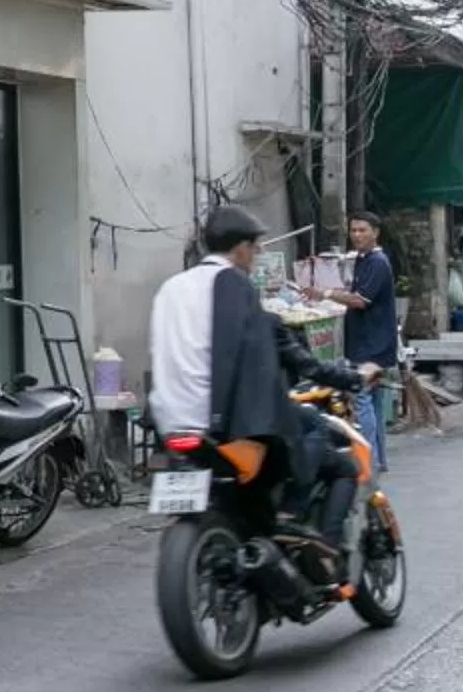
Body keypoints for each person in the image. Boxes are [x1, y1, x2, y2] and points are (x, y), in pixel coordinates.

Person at [150, 207, 372, 550]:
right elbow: (250, 358)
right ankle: (296, 519)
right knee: (313, 428)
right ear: (239, 248)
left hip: (170, 421)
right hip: (219, 419)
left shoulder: (172, 288)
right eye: (255, 247)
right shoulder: (233, 286)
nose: (258, 255)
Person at [336, 214, 399, 474]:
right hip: (371, 342)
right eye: (353, 230)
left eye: (363, 230)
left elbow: (361, 301)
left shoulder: (377, 262)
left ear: (376, 232)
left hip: (371, 346)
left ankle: (368, 462)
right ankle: (379, 459)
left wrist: (328, 294)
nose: (357, 235)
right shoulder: (364, 261)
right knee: (372, 401)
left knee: (362, 400)